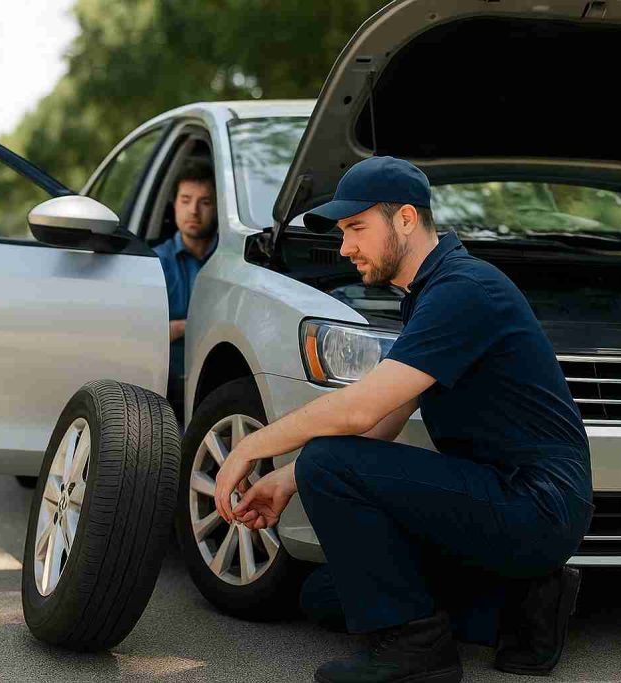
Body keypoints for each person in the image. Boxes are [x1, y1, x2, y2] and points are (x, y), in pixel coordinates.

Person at [213, 156, 593, 683]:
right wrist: (286, 478)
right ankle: (520, 605)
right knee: (324, 595)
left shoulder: (465, 290)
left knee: (328, 461)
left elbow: (360, 408)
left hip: (533, 502)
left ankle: (417, 654)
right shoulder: (432, 296)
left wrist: (250, 448)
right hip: (499, 498)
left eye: (356, 228)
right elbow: (385, 420)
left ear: (407, 220)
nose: (345, 248)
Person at [153, 160, 218, 417]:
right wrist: (183, 327)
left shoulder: (234, 262)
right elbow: (142, 336)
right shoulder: (154, 263)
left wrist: (178, 328)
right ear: (174, 205)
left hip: (220, 388)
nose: (193, 210)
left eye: (205, 202)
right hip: (163, 392)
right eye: (186, 199)